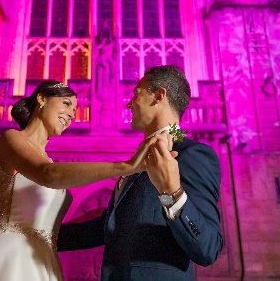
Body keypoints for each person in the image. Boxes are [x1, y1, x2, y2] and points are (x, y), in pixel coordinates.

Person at [0, 80, 156, 281]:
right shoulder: (12, 138)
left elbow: (53, 227)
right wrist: (124, 167)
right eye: (66, 104)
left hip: (44, 261)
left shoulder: (48, 158)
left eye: (74, 110)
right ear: (42, 99)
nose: (71, 114)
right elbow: (47, 174)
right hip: (12, 255)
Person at [58, 66, 224, 280]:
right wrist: (35, 236)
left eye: (136, 94)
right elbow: (112, 226)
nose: (128, 103)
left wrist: (172, 193)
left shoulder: (192, 154)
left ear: (159, 96)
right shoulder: (137, 161)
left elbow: (209, 248)